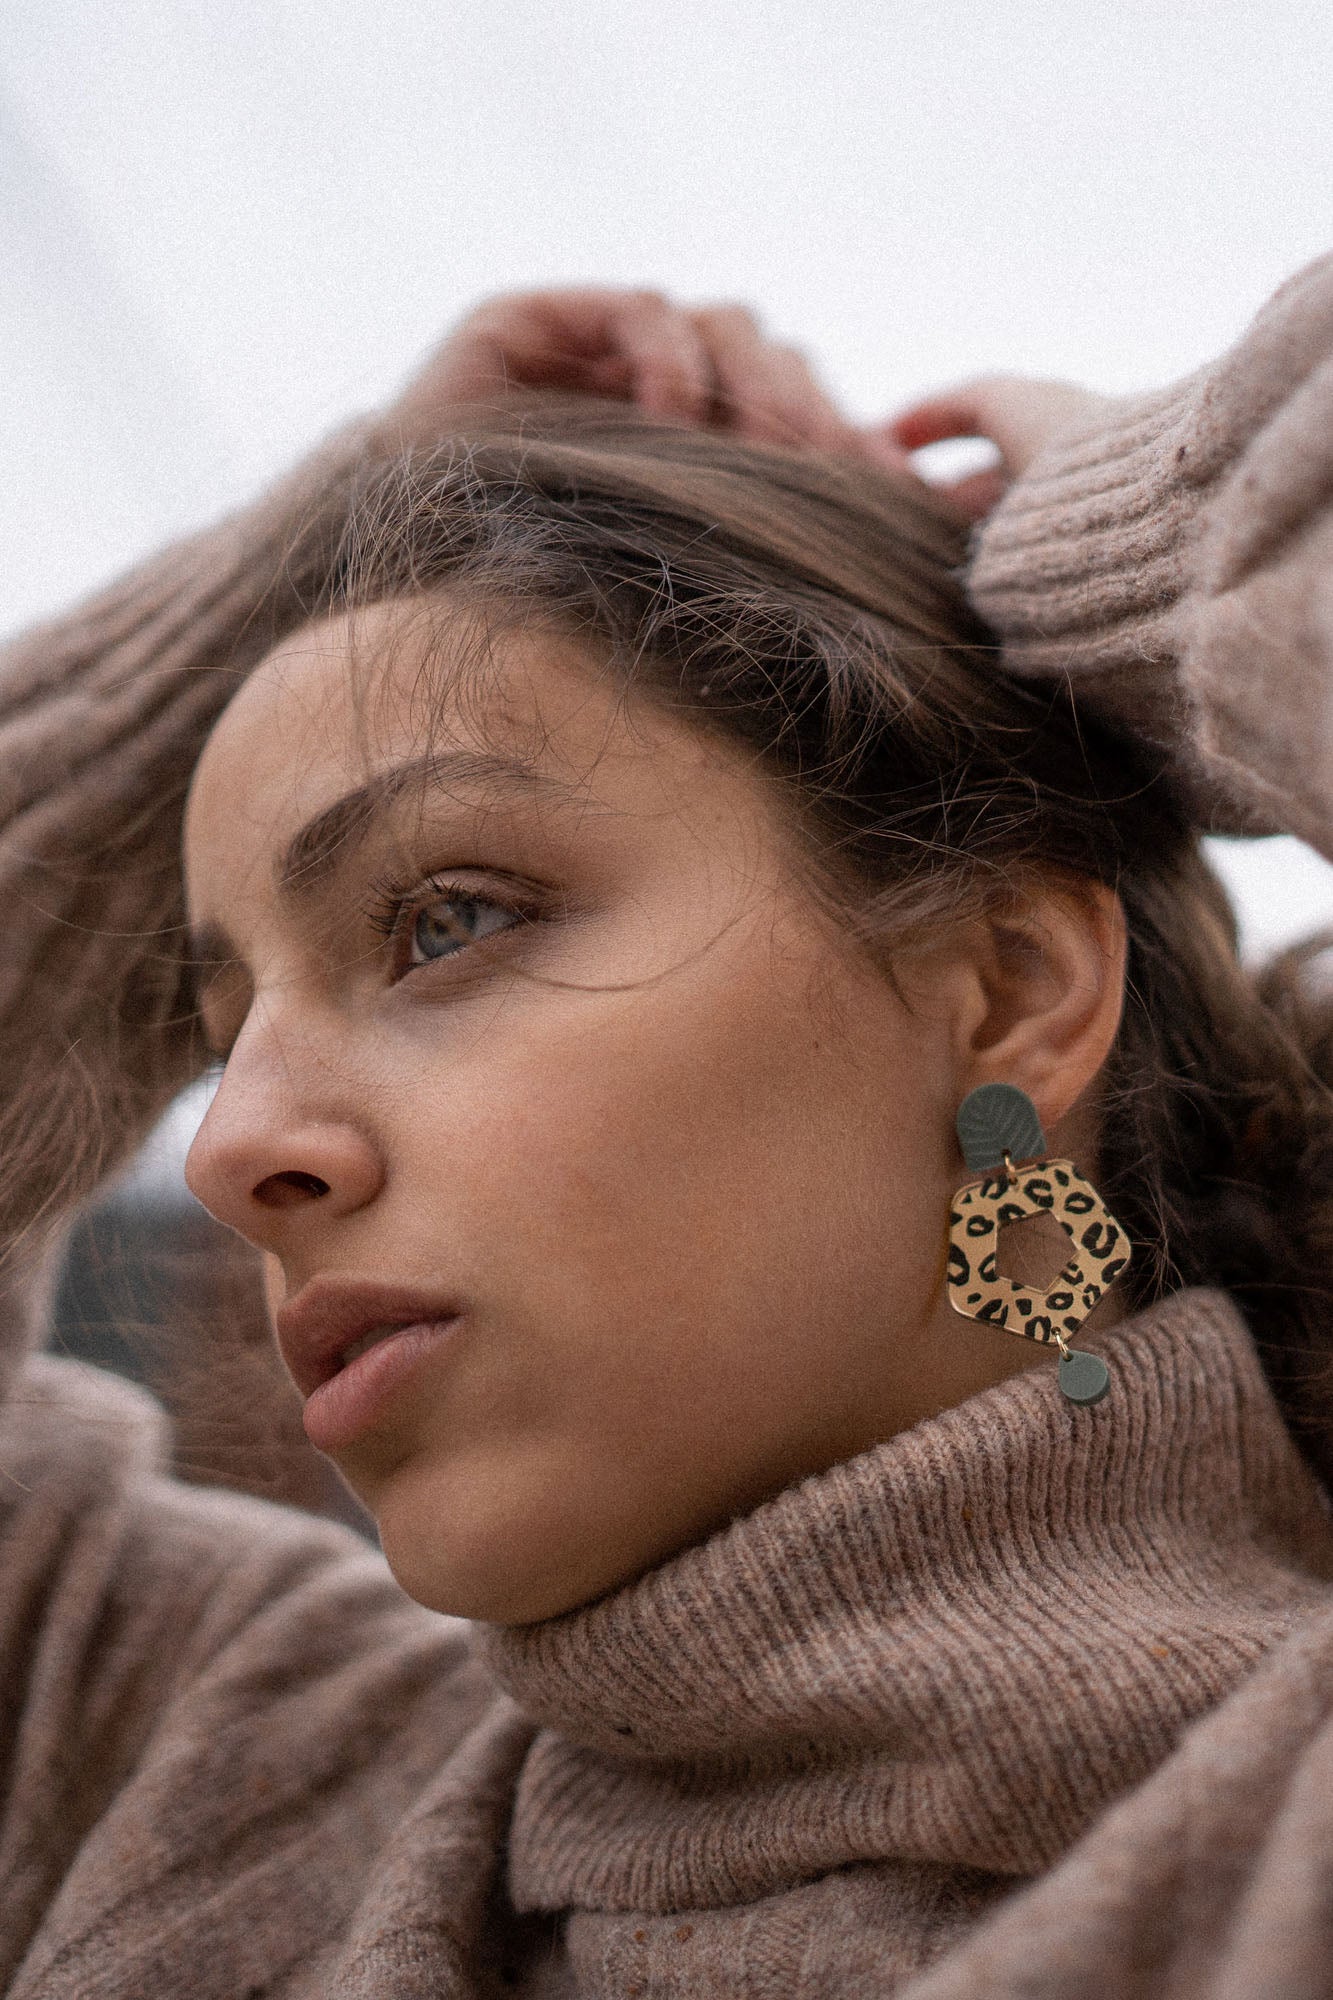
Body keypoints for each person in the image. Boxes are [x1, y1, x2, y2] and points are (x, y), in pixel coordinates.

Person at [0, 262, 1330, 1998]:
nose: (233, 1153)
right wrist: (320, 543)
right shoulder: (209, 1777)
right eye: (222, 1034)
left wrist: (1170, 537)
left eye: (448, 920)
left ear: (1007, 986)